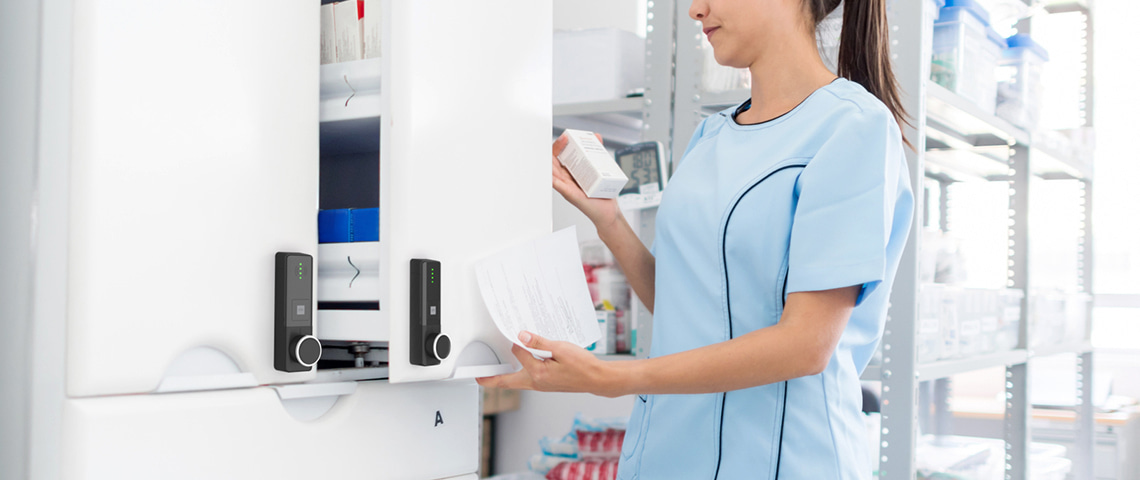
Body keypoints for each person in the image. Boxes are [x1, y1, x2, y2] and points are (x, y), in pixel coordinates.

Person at [478, 0, 914, 477]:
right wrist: (610, 220)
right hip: (669, 452)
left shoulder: (853, 126)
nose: (695, 9)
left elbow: (806, 344)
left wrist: (613, 377)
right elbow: (682, 302)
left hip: (781, 459)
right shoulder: (711, 134)